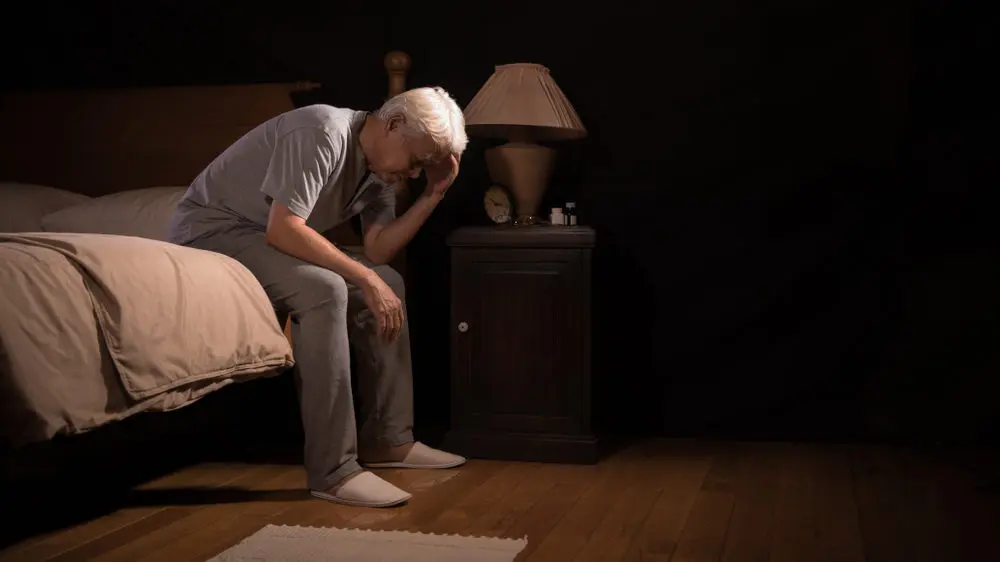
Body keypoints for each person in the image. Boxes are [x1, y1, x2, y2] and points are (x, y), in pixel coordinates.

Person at [167, 86, 469, 508]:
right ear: (394, 124)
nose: (415, 173)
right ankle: (334, 470)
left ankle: (388, 440)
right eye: (416, 161)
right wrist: (364, 277)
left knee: (389, 283)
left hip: (264, 234)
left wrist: (432, 195)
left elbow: (380, 249)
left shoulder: (378, 169)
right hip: (215, 229)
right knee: (325, 290)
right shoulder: (320, 131)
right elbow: (284, 228)